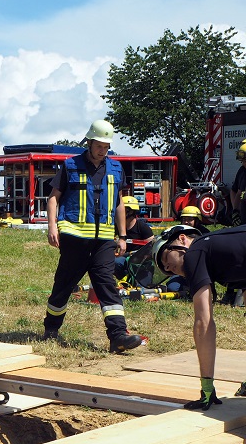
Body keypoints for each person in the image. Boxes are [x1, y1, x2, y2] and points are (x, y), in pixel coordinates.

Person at [43, 120, 143, 353]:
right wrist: (52, 226)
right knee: (64, 286)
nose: (103, 150)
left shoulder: (116, 168)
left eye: (106, 146)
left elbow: (119, 204)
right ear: (89, 142)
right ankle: (51, 329)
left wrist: (122, 236)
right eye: (99, 145)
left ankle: (118, 336)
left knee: (107, 284)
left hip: (103, 241)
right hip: (74, 239)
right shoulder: (70, 166)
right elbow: (53, 198)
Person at [152, 224, 246, 408]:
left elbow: (203, 322)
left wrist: (207, 388)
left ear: (182, 239)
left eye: (165, 256)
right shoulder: (226, 257)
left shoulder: (195, 251)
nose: (167, 266)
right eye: (164, 269)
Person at [114, 196, 154, 280]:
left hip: (142, 263)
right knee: (115, 262)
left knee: (142, 286)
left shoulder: (143, 227)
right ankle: (125, 279)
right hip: (124, 259)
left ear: (131, 211)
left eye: (122, 210)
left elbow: (151, 247)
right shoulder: (117, 227)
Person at [230, 139, 246, 226]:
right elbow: (238, 192)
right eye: (242, 161)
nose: (243, 164)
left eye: (245, 161)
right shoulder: (243, 171)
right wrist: (235, 211)